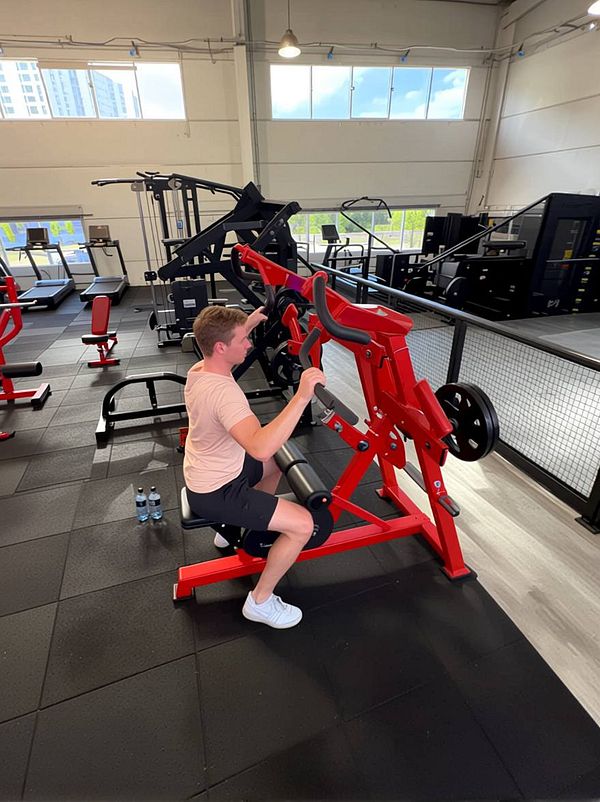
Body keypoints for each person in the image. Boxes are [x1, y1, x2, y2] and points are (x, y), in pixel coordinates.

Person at [184, 304, 326, 629]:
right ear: (222, 347)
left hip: (210, 472)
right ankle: (260, 601)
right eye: (243, 340)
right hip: (217, 492)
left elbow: (265, 453)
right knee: (303, 524)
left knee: (275, 461)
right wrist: (302, 396)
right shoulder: (224, 395)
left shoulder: (200, 371)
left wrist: (245, 324)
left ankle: (241, 526)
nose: (249, 344)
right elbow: (260, 443)